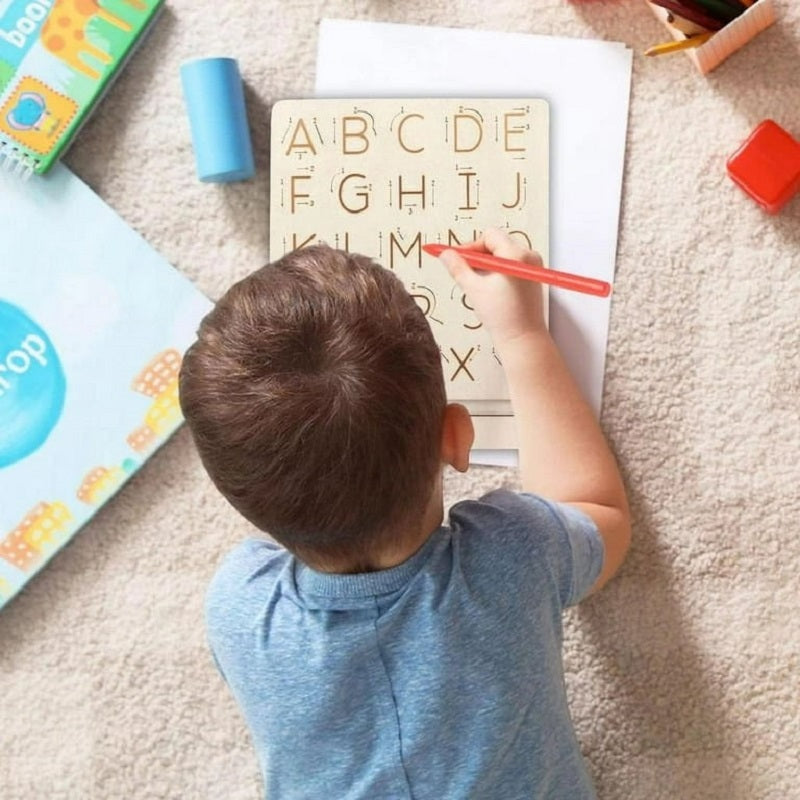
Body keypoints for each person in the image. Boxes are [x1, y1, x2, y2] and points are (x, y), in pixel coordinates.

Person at [178, 228, 631, 799]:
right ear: (457, 437)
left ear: (236, 498)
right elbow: (600, 510)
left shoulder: (239, 607)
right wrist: (522, 333)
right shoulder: (515, 553)